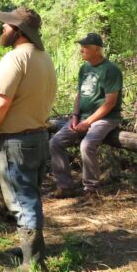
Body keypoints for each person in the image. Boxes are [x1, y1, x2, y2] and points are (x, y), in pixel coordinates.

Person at [0, 7, 56, 272]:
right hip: (38, 137)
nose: (3, 28)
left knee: (23, 203)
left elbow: (0, 103)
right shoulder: (43, 57)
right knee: (31, 198)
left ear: (19, 30)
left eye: (7, 25)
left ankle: (33, 266)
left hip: (17, 142)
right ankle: (32, 253)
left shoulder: (15, 59)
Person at [50, 33, 123, 200]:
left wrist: (88, 122)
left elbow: (110, 103)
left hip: (106, 118)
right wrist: (75, 116)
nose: (81, 50)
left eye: (86, 47)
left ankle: (91, 190)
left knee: (86, 145)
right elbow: (79, 95)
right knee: (55, 143)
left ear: (97, 49)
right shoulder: (85, 68)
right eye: (81, 47)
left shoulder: (110, 70)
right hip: (82, 117)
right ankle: (65, 186)